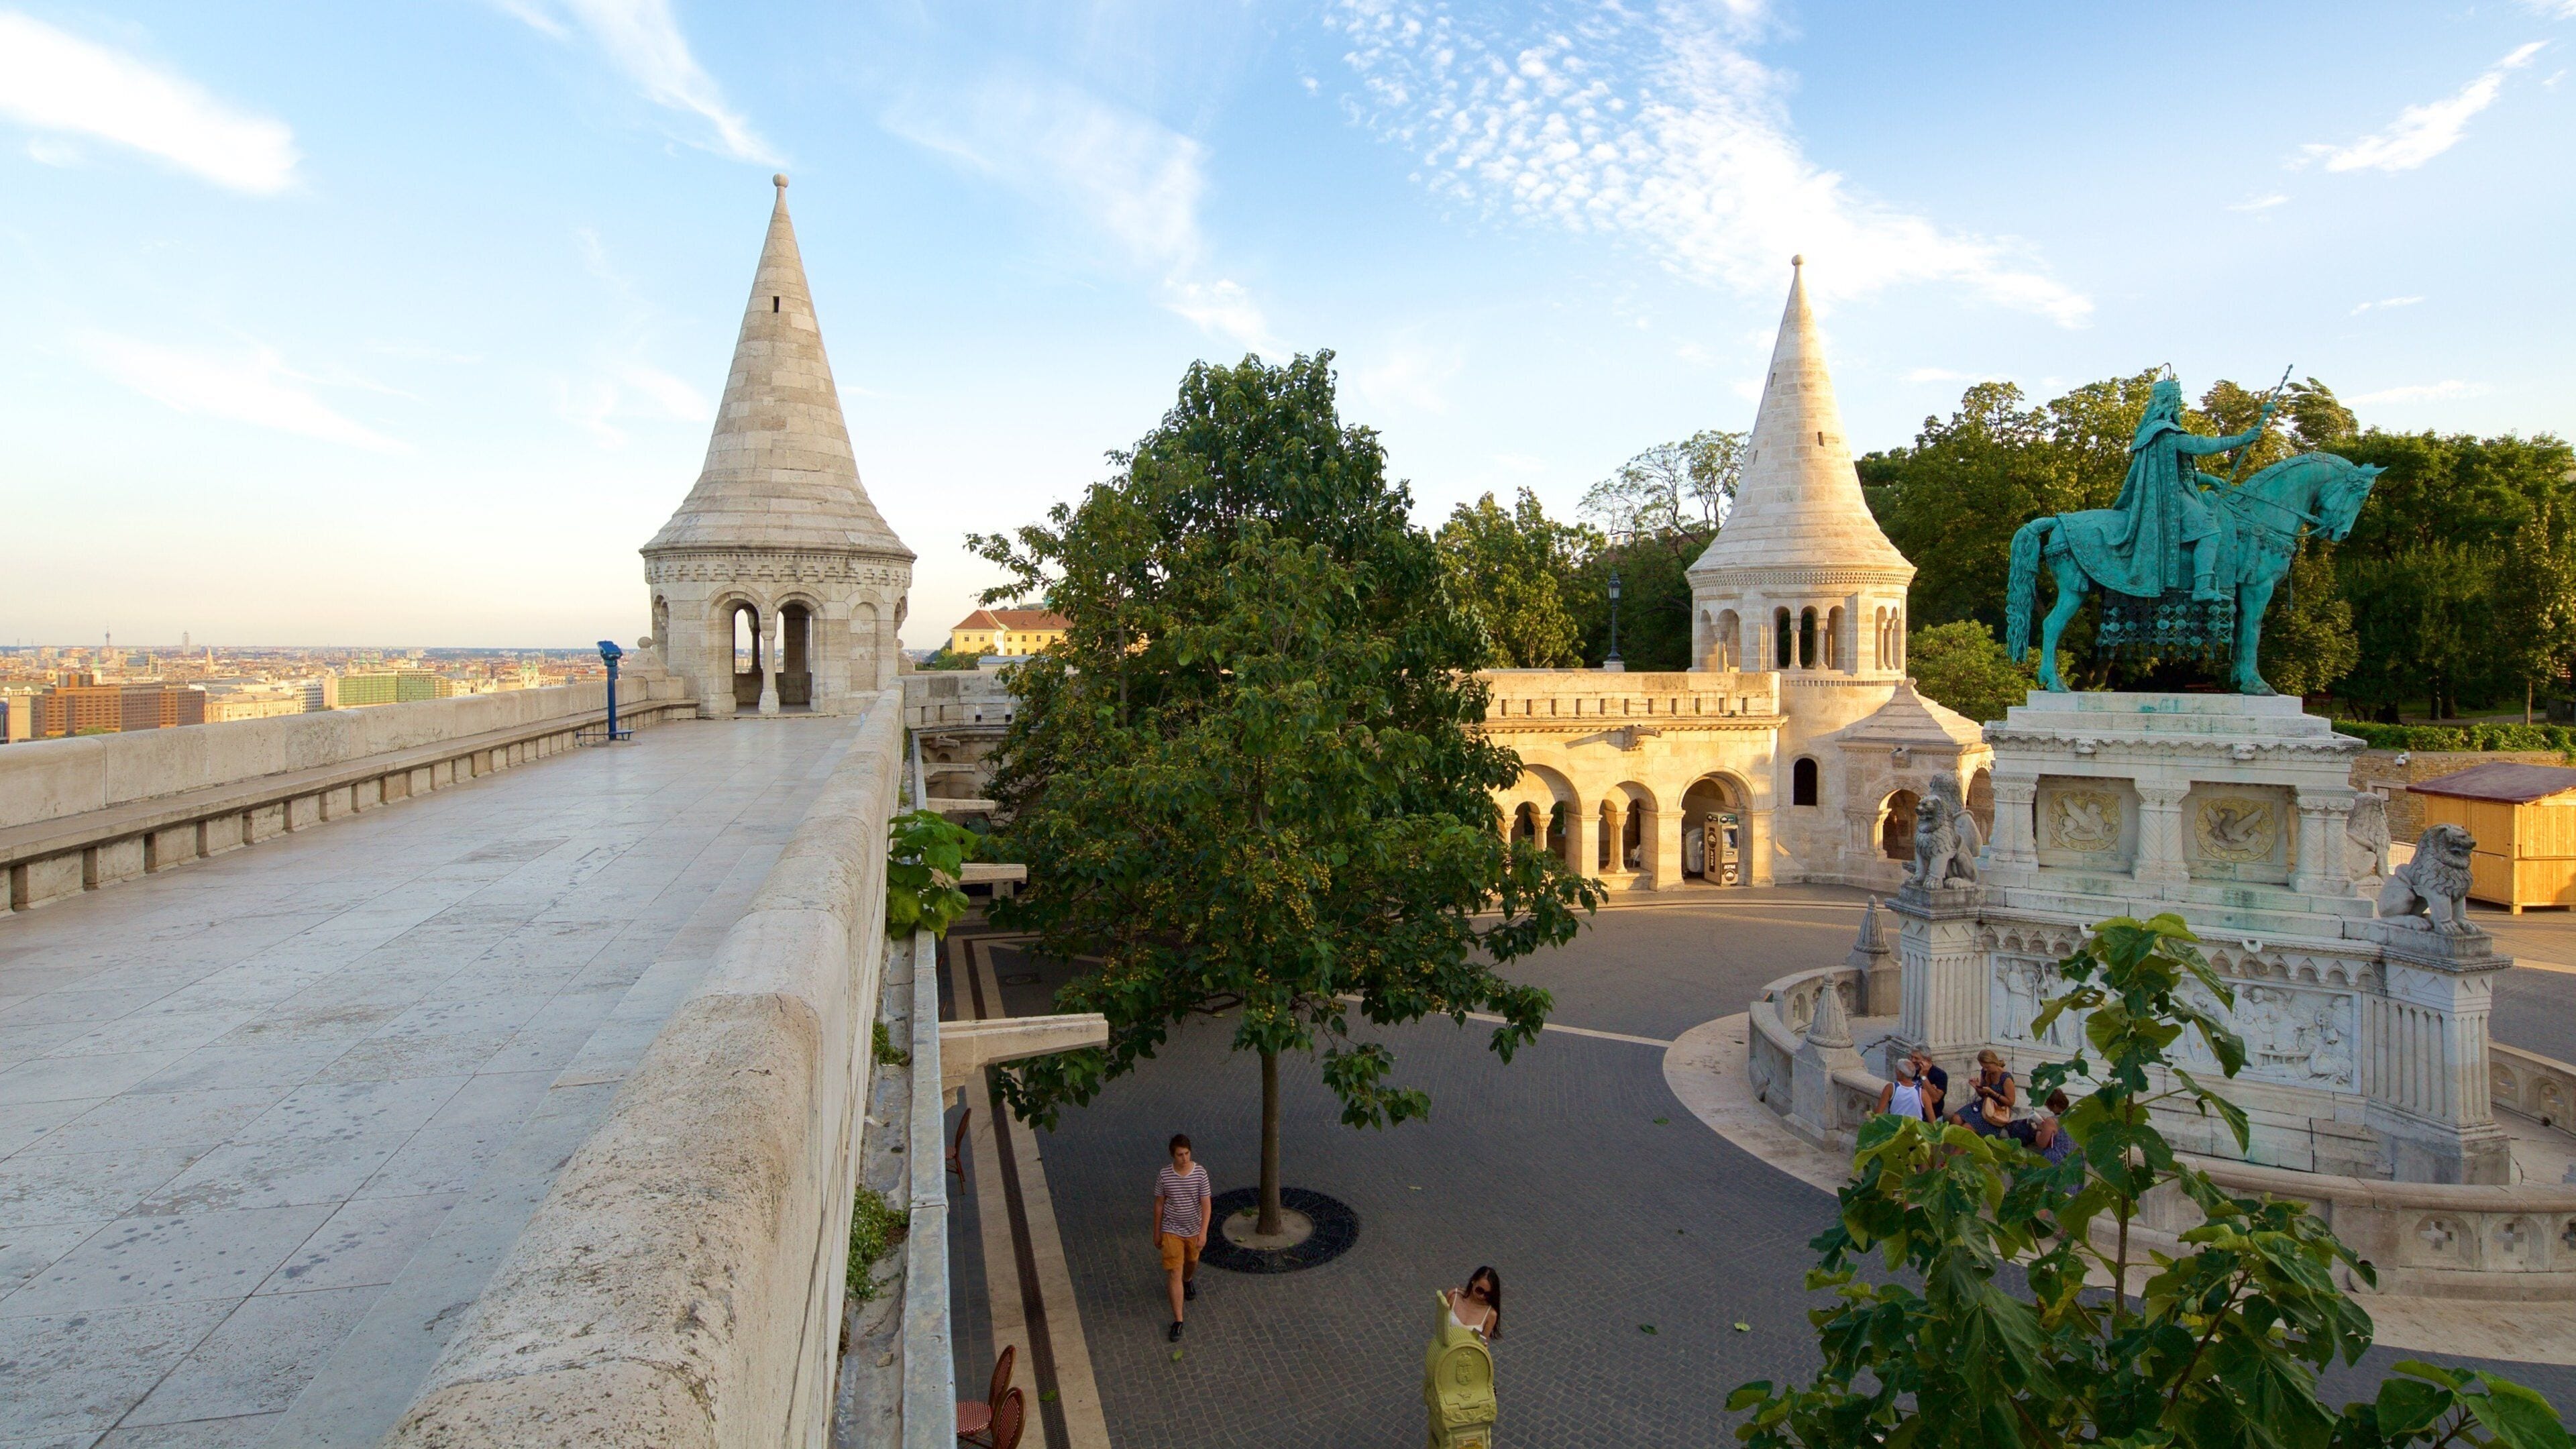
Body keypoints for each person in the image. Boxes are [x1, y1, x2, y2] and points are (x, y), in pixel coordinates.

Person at [1154, 1133, 1212, 1342]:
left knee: (1192, 1261)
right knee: (1174, 1272)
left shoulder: (1200, 1173)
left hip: (1193, 1230)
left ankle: (1188, 1280)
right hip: (1172, 1230)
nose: (1184, 1158)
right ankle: (1178, 1320)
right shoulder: (1164, 1175)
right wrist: (1157, 1231)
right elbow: (1159, 1204)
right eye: (1180, 1155)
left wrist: (1203, 1232)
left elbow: (1206, 1204)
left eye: (1187, 1154)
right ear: (1173, 1155)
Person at [1949, 1049, 2017, 1133]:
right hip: (1984, 1104)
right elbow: (1983, 1094)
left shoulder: (2006, 1078)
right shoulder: (1985, 1072)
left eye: (1987, 1067)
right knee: (1956, 1119)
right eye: (1983, 1067)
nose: (1985, 1069)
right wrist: (1977, 1087)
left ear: (1994, 1062)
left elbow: (2011, 1102)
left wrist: (1992, 1092)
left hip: (1997, 1111)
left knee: (1967, 1128)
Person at [2008, 1089, 2077, 1165]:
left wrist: (2039, 1129)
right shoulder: (2075, 1116)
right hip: (2073, 1158)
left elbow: (2041, 1144)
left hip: (2057, 1159)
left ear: (2055, 1106)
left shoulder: (2052, 1121)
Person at [1446, 1266, 1502, 1342]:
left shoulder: (1491, 1314)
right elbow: (1440, 1325)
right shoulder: (1454, 1297)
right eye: (1479, 1290)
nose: (1482, 1296)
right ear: (1473, 1281)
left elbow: (1483, 1345)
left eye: (1487, 1294)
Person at [1875, 1057, 1931, 1121]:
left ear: (1900, 1073)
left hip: (1896, 1126)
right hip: (1914, 1127)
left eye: (1897, 1070)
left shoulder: (1890, 1088)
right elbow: (1933, 1121)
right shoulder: (1923, 1093)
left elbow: (1878, 1114)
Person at [1907, 1049, 1949, 1120]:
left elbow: (1935, 1099)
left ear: (1927, 1060)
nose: (1913, 1061)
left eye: (1916, 1058)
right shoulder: (1911, 1071)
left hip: (1931, 1118)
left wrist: (1924, 1077)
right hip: (1911, 1114)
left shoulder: (1940, 1075)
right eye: (1911, 1057)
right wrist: (1929, 1088)